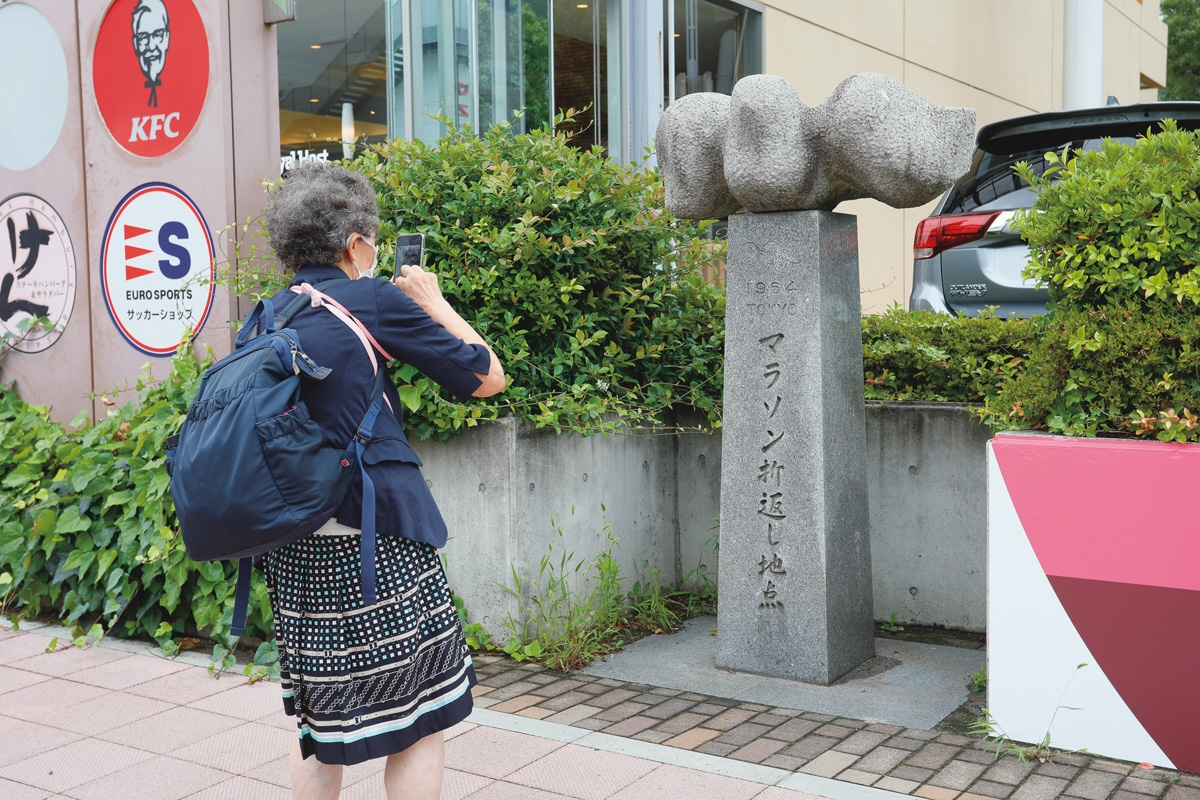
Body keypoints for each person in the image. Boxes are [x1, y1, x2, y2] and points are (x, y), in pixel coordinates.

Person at [259, 161, 505, 800]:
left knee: (318, 725)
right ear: (357, 244)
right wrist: (433, 301)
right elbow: (485, 375)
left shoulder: (267, 315)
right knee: (420, 719)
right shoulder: (371, 298)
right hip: (378, 543)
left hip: (294, 545)